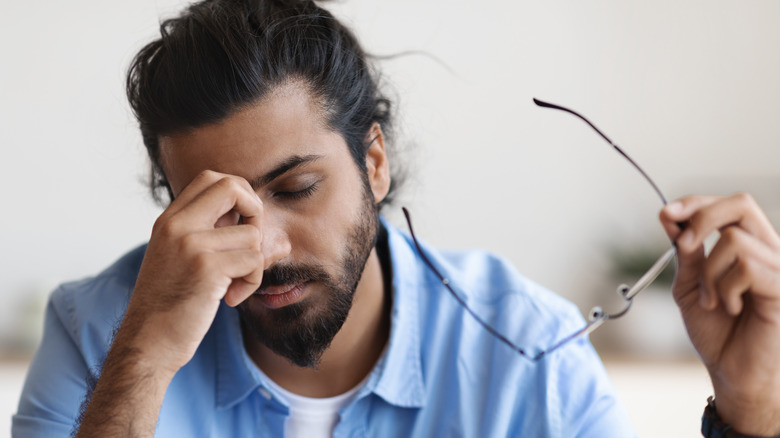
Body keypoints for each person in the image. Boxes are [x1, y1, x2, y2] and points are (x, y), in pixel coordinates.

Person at [12, 0, 780, 437]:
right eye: (217, 212)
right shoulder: (98, 333)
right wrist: (143, 355)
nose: (264, 248)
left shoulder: (529, 356)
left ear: (373, 162)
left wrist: (753, 411)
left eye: (297, 187)